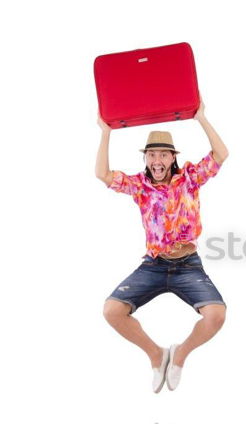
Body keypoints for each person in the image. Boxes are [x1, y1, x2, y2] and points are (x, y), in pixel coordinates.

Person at [95, 100, 229, 392]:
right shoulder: (140, 186)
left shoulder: (190, 180)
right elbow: (102, 174)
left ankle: (179, 354)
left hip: (188, 265)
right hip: (153, 265)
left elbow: (221, 154)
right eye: (151, 155)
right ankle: (156, 355)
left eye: (163, 155)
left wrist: (201, 118)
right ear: (146, 159)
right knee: (111, 311)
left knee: (217, 315)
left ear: (172, 158)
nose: (157, 160)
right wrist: (106, 132)